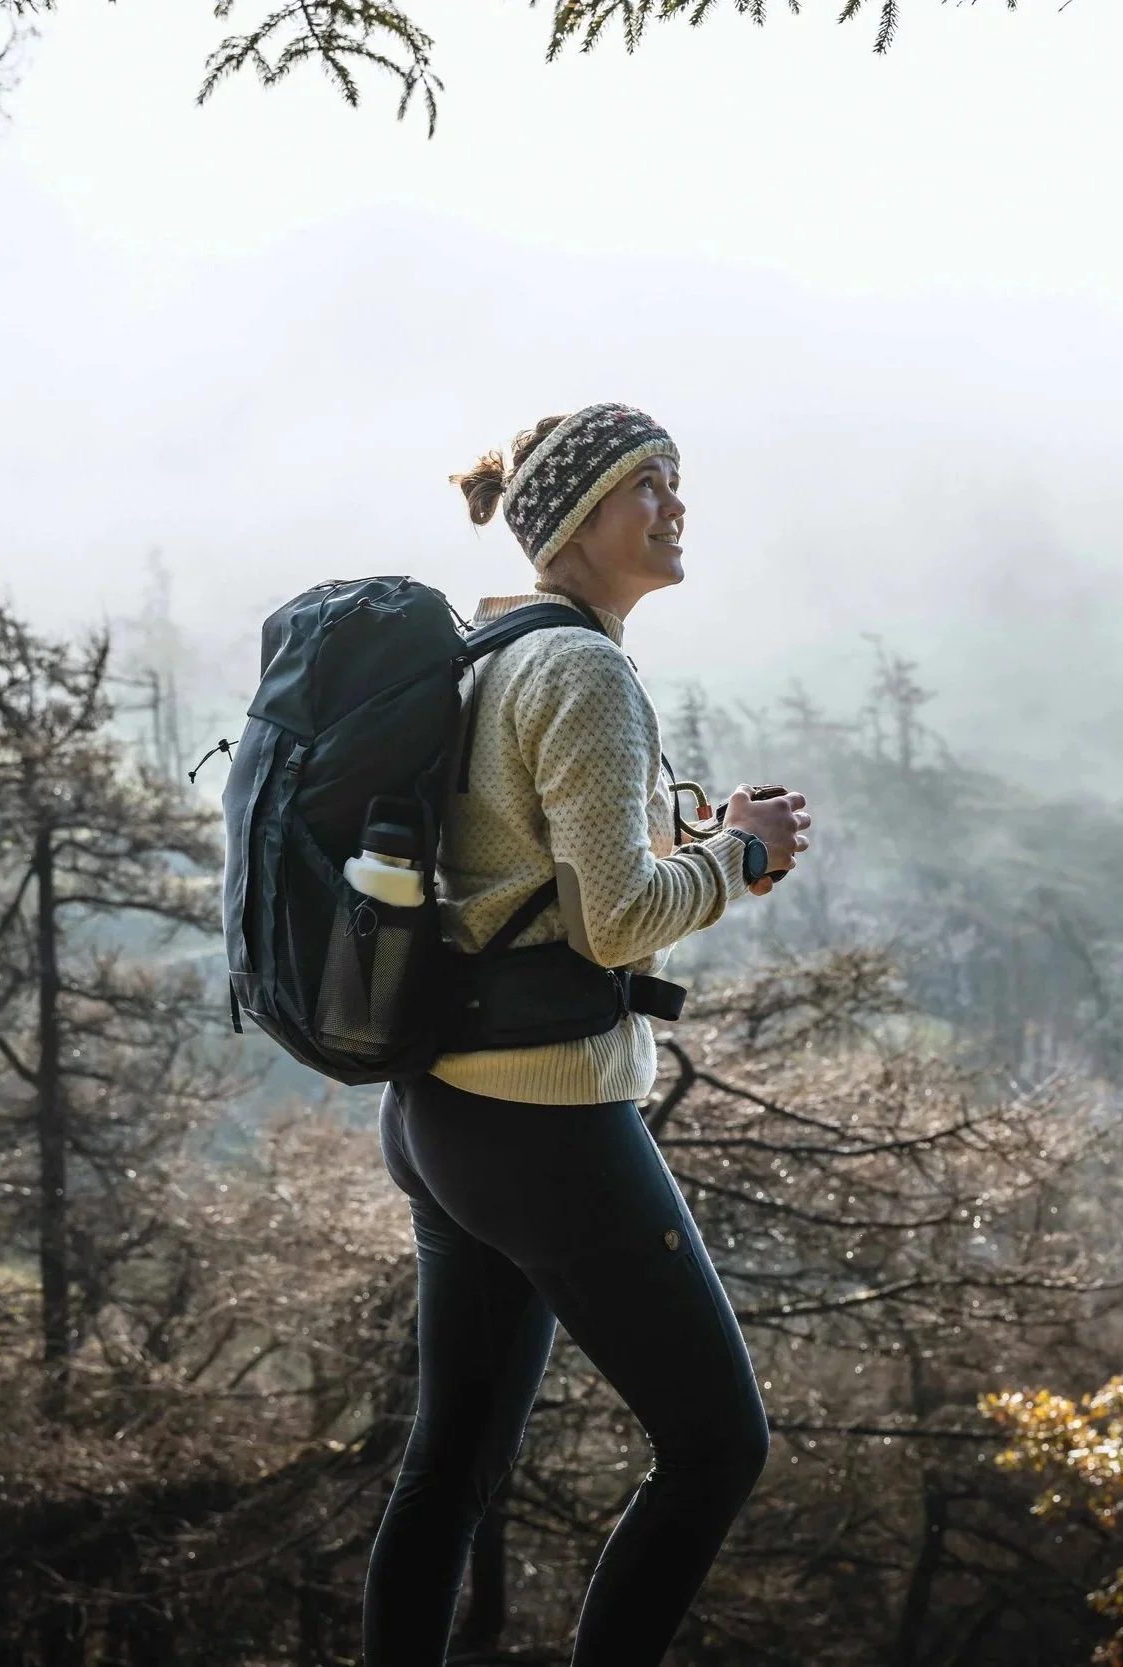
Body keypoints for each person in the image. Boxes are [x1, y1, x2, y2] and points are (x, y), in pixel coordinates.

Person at [362, 402, 812, 1664]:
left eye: (678, 481)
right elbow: (613, 923)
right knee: (718, 1443)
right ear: (575, 518)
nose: (674, 507)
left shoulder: (488, 654)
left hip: (441, 1109)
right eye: (647, 486)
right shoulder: (584, 671)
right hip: (542, 1120)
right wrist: (740, 851)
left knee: (446, 1467)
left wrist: (712, 853)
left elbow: (544, 886)